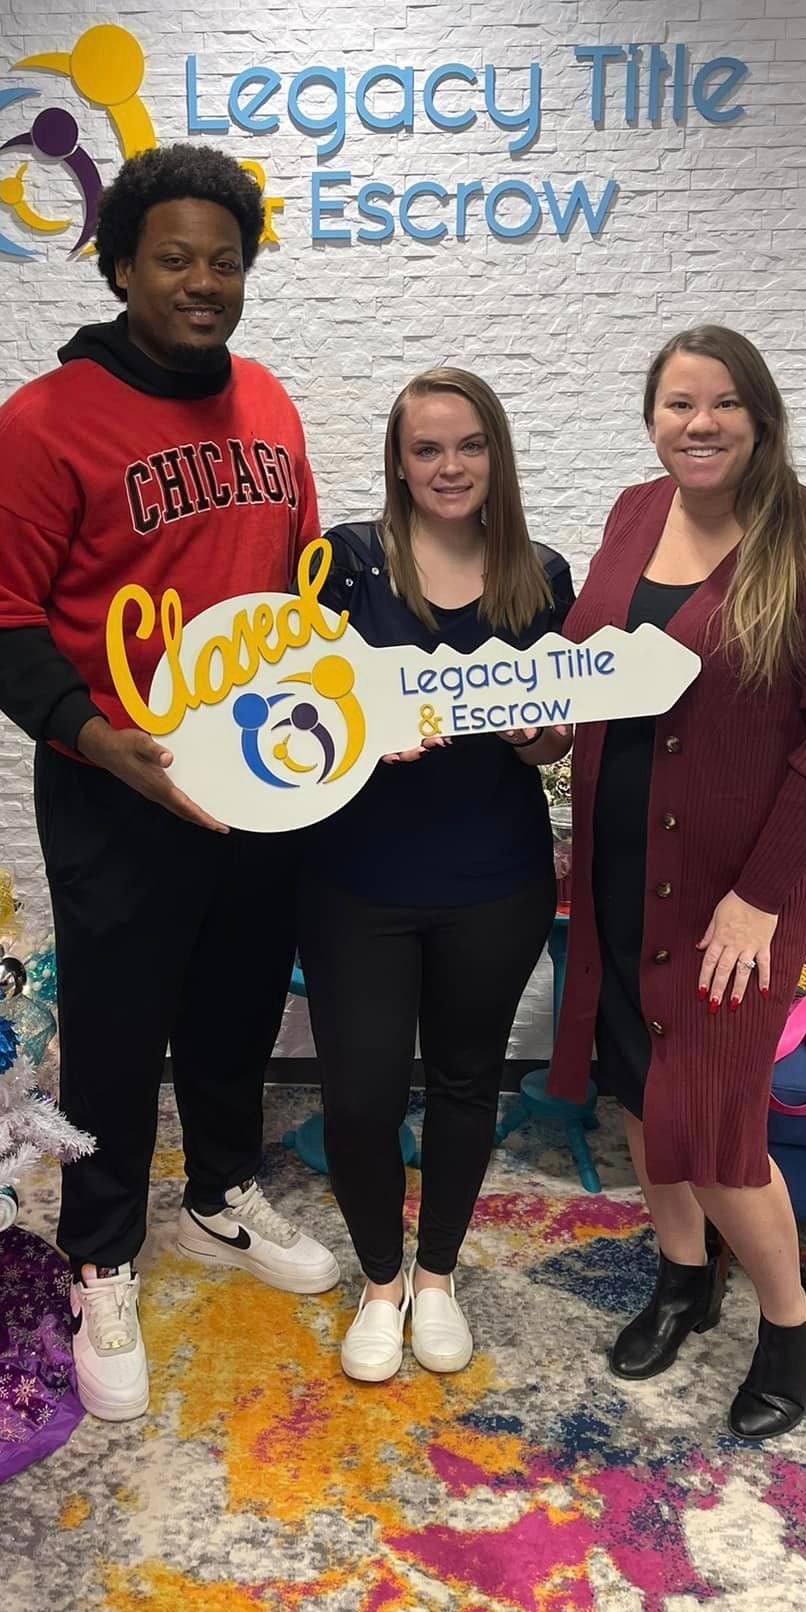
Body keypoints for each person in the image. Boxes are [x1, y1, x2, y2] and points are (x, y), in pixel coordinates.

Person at [0, 144, 339, 1424]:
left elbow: (300, 593)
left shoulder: (272, 402)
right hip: (120, 779)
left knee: (235, 1006)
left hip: (259, 777)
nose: (203, 281)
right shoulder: (43, 422)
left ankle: (221, 1192)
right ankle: (101, 1254)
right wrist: (86, 730)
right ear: (119, 265)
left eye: (224, 260)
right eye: (174, 257)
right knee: (119, 1032)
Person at [547, 324, 806, 1439]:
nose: (700, 424)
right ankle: (683, 1276)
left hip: (735, 887)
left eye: (725, 403)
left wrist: (762, 894)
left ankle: (792, 1318)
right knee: (642, 1091)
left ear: (762, 416)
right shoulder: (631, 514)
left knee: (720, 1122)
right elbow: (586, 659)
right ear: (652, 418)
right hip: (615, 858)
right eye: (678, 404)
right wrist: (533, 720)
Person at [298, 368, 573, 1383]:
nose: (450, 466)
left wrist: (538, 731)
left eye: (469, 445)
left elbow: (551, 744)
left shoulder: (541, 572)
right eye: (428, 448)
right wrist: (359, 735)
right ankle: (382, 1280)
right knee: (361, 1097)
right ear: (399, 460)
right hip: (354, 874)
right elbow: (292, 708)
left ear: (495, 454)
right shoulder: (343, 561)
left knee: (465, 1081)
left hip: (493, 874)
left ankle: (441, 1274)